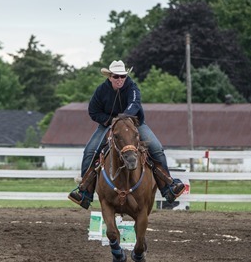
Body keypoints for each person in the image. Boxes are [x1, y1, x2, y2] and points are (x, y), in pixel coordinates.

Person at [69, 60, 185, 209]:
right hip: (108, 124)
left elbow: (134, 104)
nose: (120, 79)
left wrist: (123, 119)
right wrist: (110, 121)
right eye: (116, 76)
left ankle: (169, 187)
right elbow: (93, 111)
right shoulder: (101, 91)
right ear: (110, 77)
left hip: (134, 124)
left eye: (122, 76)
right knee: (90, 151)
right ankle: (84, 192)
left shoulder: (132, 87)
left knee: (156, 148)